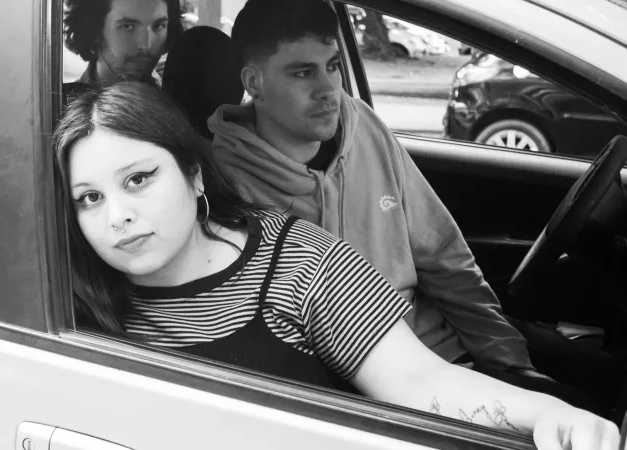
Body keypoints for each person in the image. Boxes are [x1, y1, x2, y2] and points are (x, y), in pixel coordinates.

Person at [56, 81, 622, 448]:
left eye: (138, 179)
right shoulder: (60, 288)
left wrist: (550, 415)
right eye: (90, 198)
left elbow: (418, 381)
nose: (118, 217)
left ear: (193, 174)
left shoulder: (299, 263)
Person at [206, 0, 619, 414]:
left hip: (452, 343)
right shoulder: (229, 190)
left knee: (610, 379)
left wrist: (509, 361)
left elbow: (443, 256)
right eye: (302, 72)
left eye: (333, 65)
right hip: (394, 392)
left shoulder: (360, 124)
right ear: (254, 83)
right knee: (588, 415)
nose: (328, 89)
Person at [62, 0, 184, 105]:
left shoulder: (177, 98)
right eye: (127, 27)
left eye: (158, 26)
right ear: (94, 30)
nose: (146, 45)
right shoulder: (61, 108)